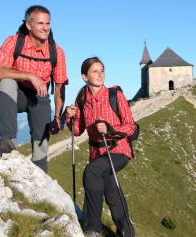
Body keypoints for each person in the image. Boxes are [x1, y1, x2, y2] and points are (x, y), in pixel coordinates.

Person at [65, 57, 135, 237]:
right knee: (112, 192)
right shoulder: (82, 100)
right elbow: (77, 130)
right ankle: (126, 232)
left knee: (92, 172)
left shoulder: (115, 95)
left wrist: (110, 129)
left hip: (119, 150)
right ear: (84, 76)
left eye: (102, 70)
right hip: (97, 153)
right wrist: (69, 116)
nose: (100, 74)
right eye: (94, 71)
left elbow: (130, 126)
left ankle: (91, 229)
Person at [0, 5, 68, 173]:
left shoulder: (57, 52)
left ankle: (40, 177)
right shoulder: (13, 42)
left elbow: (59, 87)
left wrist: (57, 117)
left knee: (41, 144)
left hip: (39, 97)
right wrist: (30, 76)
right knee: (6, 82)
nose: (45, 28)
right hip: (16, 94)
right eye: (40, 23)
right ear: (29, 25)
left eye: (48, 23)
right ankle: (8, 141)